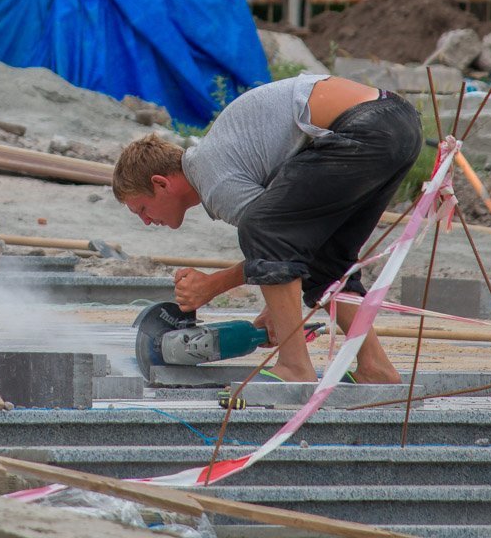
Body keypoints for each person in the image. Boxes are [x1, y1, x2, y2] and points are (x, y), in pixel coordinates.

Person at [112, 74, 423, 384]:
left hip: (365, 126)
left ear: (161, 183)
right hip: (397, 123)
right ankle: (376, 367)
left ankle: (294, 366)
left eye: (142, 208)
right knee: (327, 261)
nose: (146, 221)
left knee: (263, 229)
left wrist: (213, 285)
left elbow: (273, 239)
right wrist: (275, 308)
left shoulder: (213, 178)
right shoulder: (222, 159)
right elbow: (296, 244)